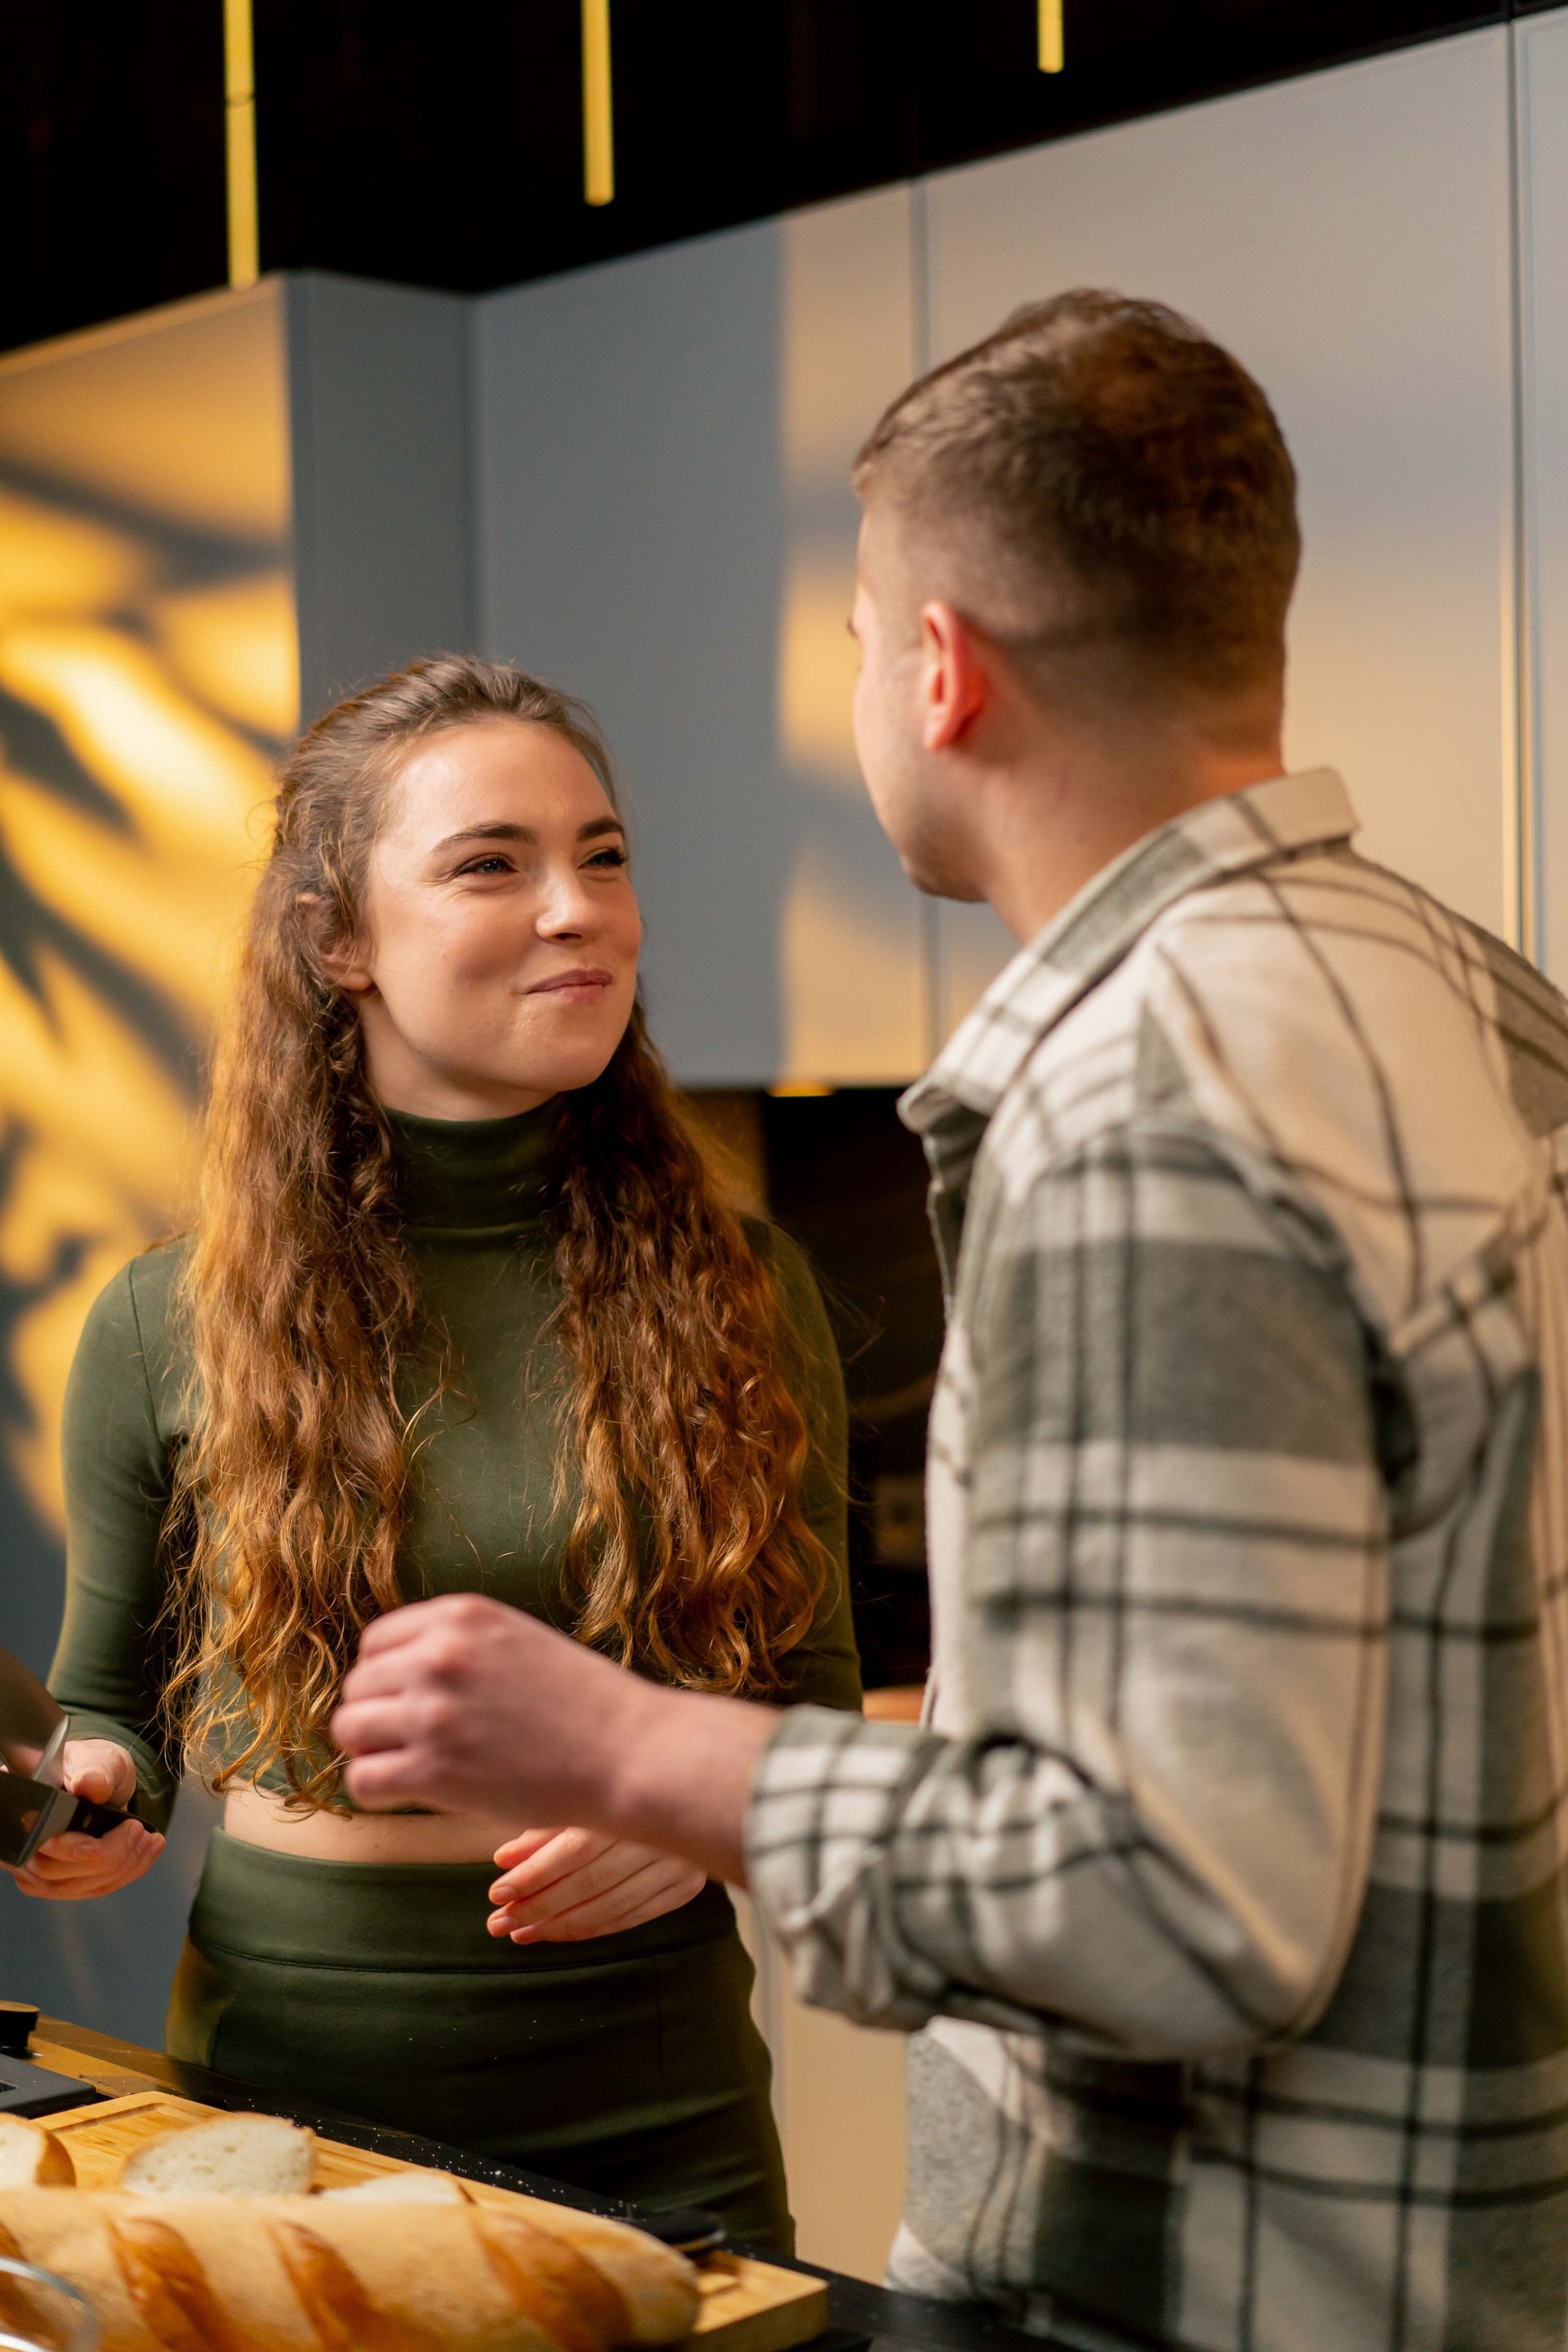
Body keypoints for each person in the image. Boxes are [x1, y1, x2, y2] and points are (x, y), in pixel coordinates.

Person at [332, 292, 1568, 2352]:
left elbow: (1176, 1896)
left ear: (939, 670)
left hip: (1192, 2300)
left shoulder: (1142, 1098)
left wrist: (634, 1745)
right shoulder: (1469, 993)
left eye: (848, 643)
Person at [11, 655, 861, 2252]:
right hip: (291, 2109)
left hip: (663, 2102)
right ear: (339, 939)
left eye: (603, 857)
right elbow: (110, 1705)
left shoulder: (750, 1286)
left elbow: (811, 1702)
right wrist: (90, 1791)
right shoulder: (162, 1321)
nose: (580, 911)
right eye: (495, 863)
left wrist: (688, 1808)